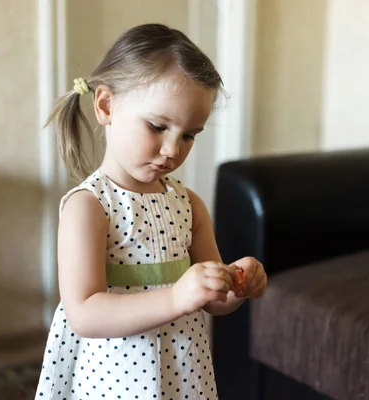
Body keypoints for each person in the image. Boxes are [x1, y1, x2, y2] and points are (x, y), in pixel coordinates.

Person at [34, 23, 267, 400]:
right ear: (106, 105)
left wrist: (236, 284)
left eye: (190, 134)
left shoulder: (188, 204)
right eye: (158, 126)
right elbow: (85, 313)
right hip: (116, 377)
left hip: (183, 370)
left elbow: (212, 301)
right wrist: (176, 298)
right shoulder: (89, 206)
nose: (173, 150)